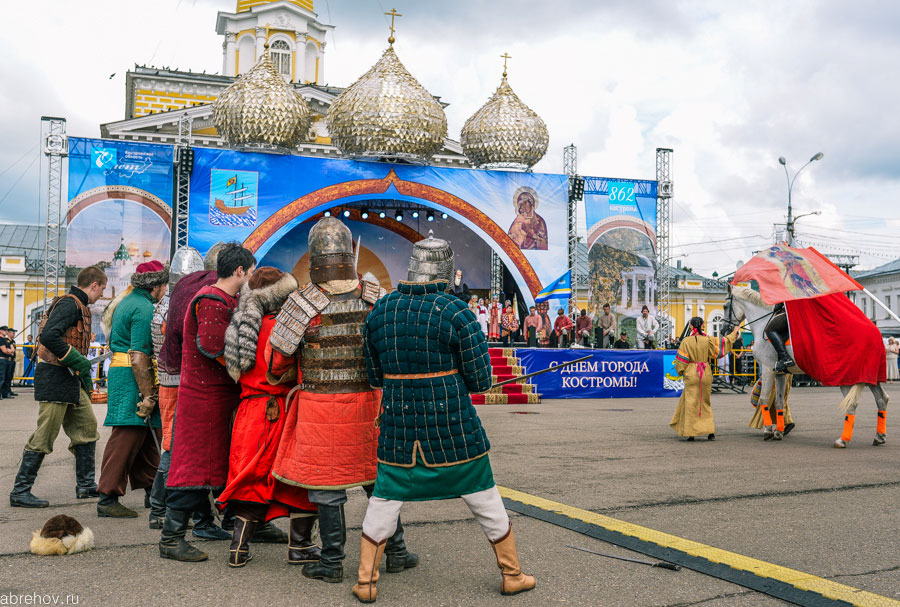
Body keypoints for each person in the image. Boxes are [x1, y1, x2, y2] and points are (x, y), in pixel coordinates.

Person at [354, 237, 535, 603]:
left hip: (399, 430)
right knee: (486, 500)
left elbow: (374, 377)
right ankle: (511, 575)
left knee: (384, 502)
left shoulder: (379, 310)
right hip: (453, 429)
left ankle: (366, 582)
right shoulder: (457, 311)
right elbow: (481, 381)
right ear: (446, 269)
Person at [267, 217, 417, 584]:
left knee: (327, 484)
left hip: (321, 405)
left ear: (314, 255)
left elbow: (278, 360)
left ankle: (332, 561)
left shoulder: (302, 301)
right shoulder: (373, 294)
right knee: (377, 480)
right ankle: (395, 551)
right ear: (349, 253)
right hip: (369, 403)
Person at [218, 267, 320, 568]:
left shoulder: (239, 327)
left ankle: (238, 547)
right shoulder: (285, 327)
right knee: (298, 478)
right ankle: (299, 546)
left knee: (250, 478)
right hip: (283, 410)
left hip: (249, 413)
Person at [160, 243, 255, 562]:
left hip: (214, 396)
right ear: (240, 271)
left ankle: (227, 521)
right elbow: (214, 347)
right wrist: (250, 371)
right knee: (193, 465)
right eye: (250, 271)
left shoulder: (224, 298)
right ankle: (171, 538)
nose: (252, 277)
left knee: (209, 466)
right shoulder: (212, 299)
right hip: (204, 398)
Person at [147, 245, 239, 542]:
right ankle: (162, 513)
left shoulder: (180, 295)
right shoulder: (208, 297)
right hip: (191, 384)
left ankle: (200, 520)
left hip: (184, 380)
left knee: (199, 456)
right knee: (183, 453)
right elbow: (210, 346)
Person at [10, 267, 107, 508]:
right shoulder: (70, 304)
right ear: (93, 285)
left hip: (70, 379)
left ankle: (85, 485)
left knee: (87, 427)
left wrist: (80, 370)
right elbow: (49, 337)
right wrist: (78, 361)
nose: (102, 294)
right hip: (55, 376)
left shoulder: (78, 304)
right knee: (45, 435)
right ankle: (20, 491)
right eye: (102, 289)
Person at [96, 260, 168, 518]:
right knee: (126, 435)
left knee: (146, 436)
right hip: (134, 376)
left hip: (127, 373)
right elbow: (139, 354)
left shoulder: (129, 301)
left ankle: (154, 491)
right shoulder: (144, 307)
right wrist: (148, 393)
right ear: (157, 285)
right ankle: (107, 496)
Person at [669, 317, 742, 441]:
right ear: (702, 325)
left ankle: (691, 433)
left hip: (691, 372)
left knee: (691, 402)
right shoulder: (709, 339)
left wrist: (681, 371)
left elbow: (681, 361)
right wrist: (734, 333)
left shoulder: (686, 341)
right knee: (705, 401)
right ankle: (710, 432)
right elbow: (723, 345)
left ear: (691, 326)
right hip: (705, 372)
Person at [765, 302, 793, 373]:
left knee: (770, 330)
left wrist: (778, 306)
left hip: (793, 309)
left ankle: (785, 358)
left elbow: (786, 295)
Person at [0, 326, 15, 398]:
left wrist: (9, 351)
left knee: (7, 378)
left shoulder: (6, 340)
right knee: (1, 378)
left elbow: (12, 349)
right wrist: (9, 351)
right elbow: (4, 350)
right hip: (2, 359)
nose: (6, 332)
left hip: (7, 360)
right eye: (4, 330)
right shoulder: (0, 339)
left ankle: (5, 393)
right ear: (0, 331)